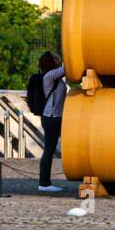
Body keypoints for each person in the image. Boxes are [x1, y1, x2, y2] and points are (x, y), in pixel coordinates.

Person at [37, 51, 67, 192]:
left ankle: (45, 182)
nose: (58, 60)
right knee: (49, 150)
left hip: (56, 117)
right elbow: (68, 69)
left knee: (50, 149)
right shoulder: (50, 76)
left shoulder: (55, 78)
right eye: (56, 59)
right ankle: (44, 183)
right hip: (51, 118)